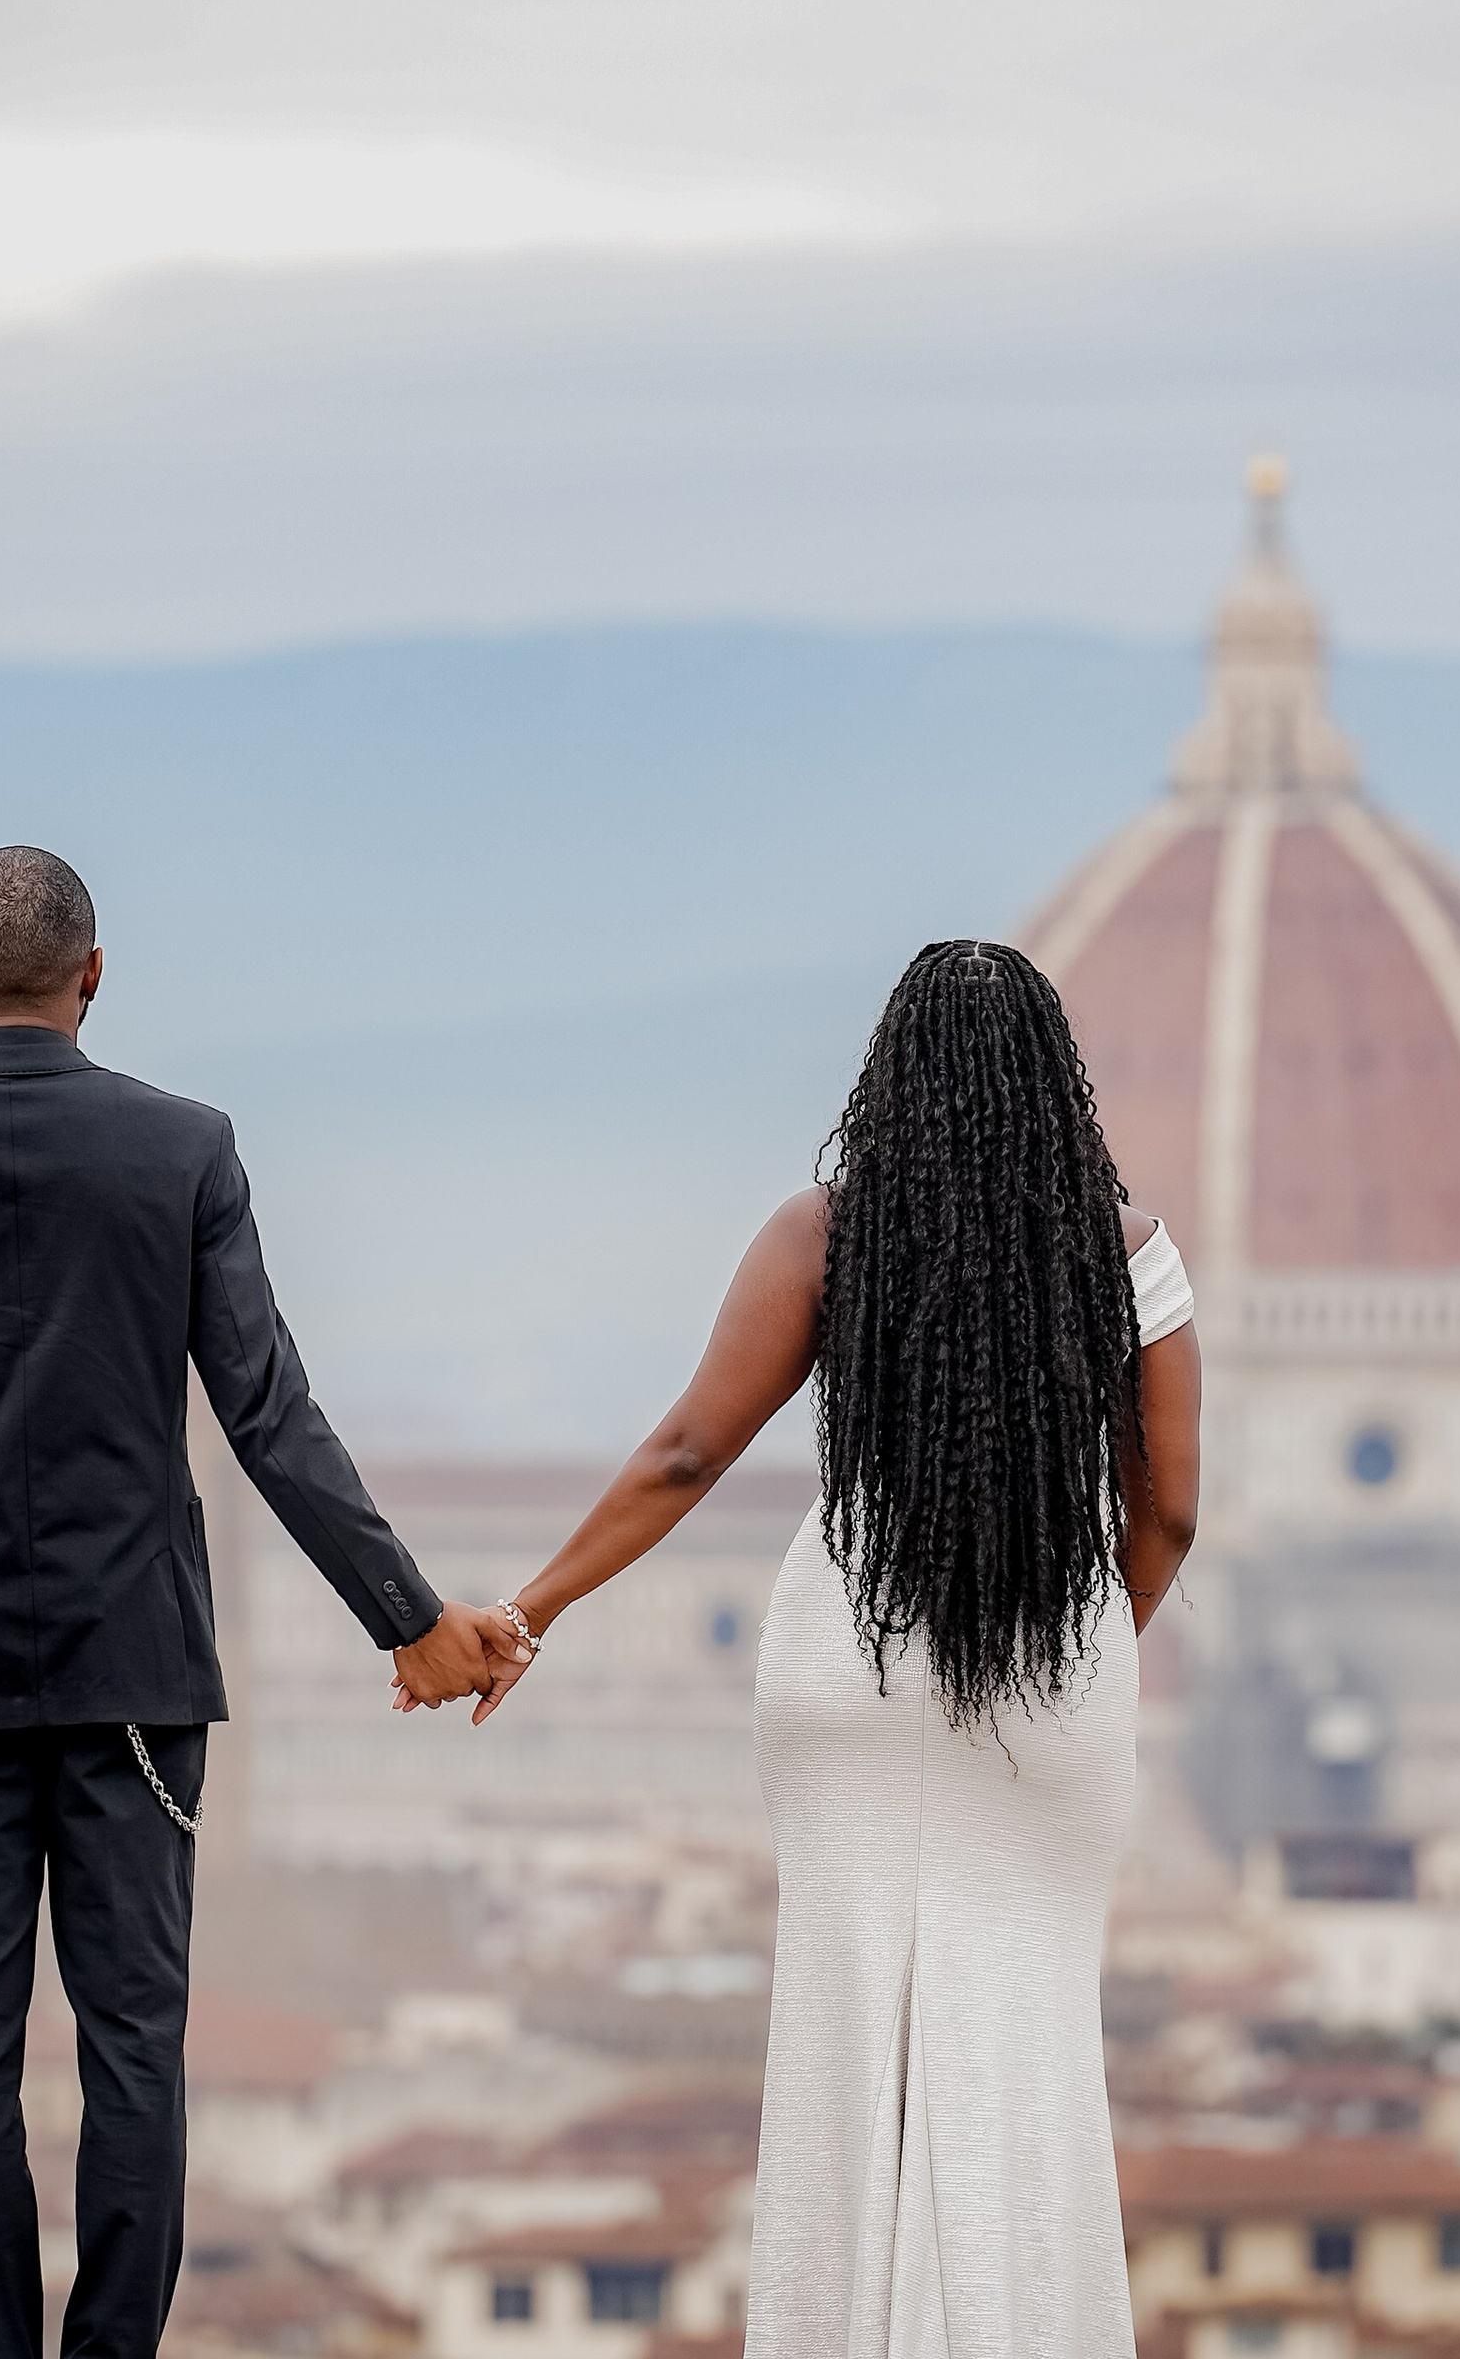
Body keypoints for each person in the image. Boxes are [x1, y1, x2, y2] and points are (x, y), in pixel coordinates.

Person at [0, 845, 504, 2359]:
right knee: (134, 2054)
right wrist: (411, 1619)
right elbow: (269, 1415)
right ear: (94, 977)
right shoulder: (184, 1152)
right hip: (135, 1685)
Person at [461, 938, 1202, 2358]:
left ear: (891, 1076)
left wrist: (532, 1611)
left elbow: (687, 1452)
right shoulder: (1131, 1255)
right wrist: (1085, 1637)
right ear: (1060, 1084)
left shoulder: (824, 1232)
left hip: (846, 1662)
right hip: (1057, 1664)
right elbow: (1166, 1506)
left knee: (850, 2026)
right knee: (1028, 2035)